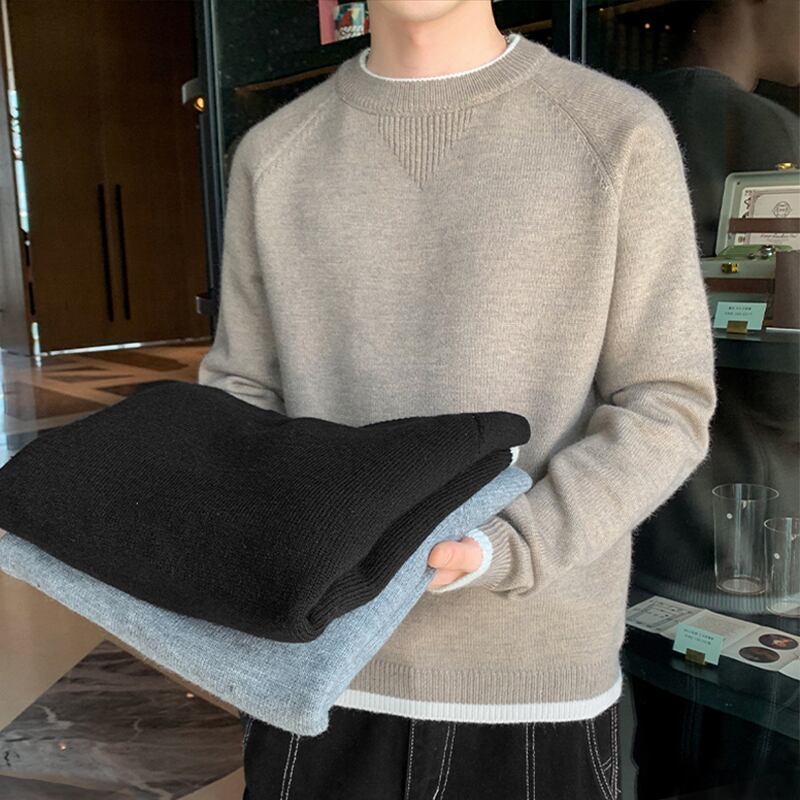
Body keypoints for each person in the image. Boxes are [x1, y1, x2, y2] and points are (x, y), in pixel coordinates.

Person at [197, 1, 717, 797]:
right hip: (313, 665)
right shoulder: (275, 153)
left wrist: (515, 543)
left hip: (532, 678)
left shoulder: (615, 132)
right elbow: (240, 394)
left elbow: (665, 403)